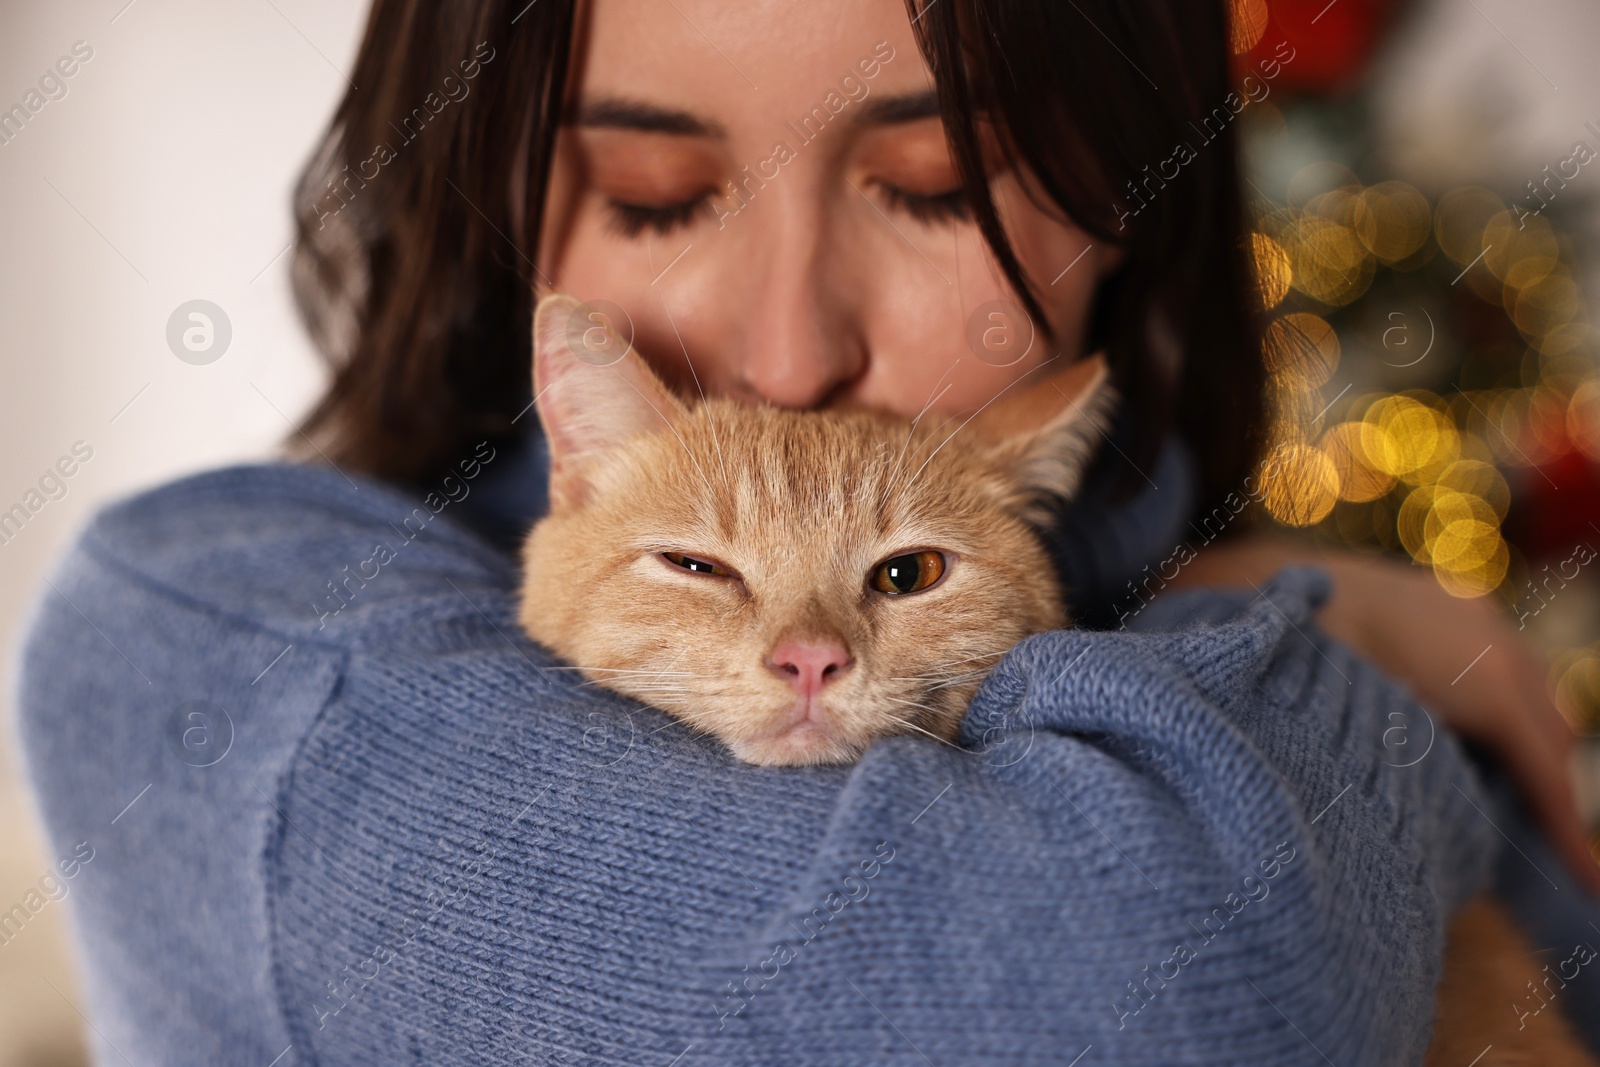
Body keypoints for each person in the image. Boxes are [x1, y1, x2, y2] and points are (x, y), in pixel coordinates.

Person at [16, 0, 1600, 1063]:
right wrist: (1284, 628)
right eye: (650, 191)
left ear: (1135, 193)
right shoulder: (210, 623)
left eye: (927, 184)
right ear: (489, 193)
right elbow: (1156, 993)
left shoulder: (1129, 546)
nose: (784, 354)